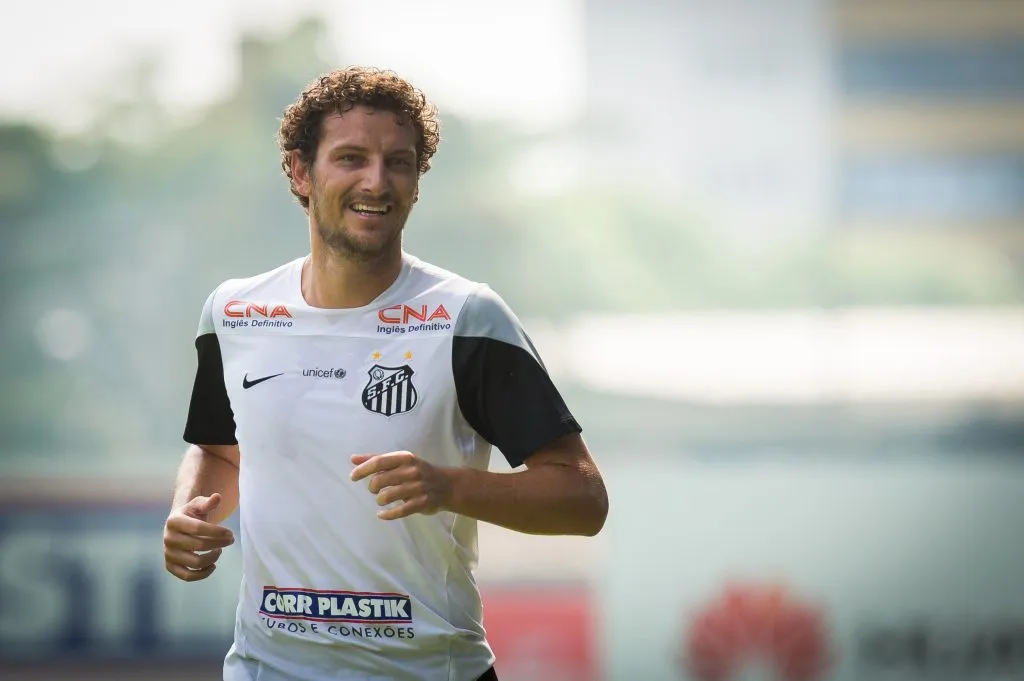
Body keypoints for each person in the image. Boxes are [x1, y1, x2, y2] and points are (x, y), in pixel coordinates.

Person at [162, 66, 609, 681]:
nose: (377, 181)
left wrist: (449, 487)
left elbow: (582, 499)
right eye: (350, 158)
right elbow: (220, 450)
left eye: (398, 163)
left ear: (417, 183)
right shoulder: (235, 312)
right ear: (300, 172)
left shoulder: (467, 317)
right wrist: (190, 514)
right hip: (267, 669)